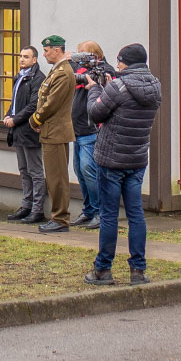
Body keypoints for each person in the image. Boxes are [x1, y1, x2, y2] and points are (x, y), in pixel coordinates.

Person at [83, 44, 161, 286]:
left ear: (124, 62)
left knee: (109, 215)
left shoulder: (117, 86)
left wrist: (95, 89)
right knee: (136, 215)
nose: (117, 66)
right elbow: (125, 108)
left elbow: (96, 113)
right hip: (137, 158)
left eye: (119, 62)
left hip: (111, 160)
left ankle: (103, 269)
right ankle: (138, 270)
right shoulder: (154, 86)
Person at [29, 36, 77, 232]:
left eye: (47, 50)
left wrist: (34, 120)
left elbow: (51, 104)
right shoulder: (57, 70)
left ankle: (60, 219)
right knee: (53, 176)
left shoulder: (63, 73)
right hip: (51, 130)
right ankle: (58, 217)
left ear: (57, 50)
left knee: (57, 178)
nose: (45, 54)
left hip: (56, 131)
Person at [0, 47, 46, 222]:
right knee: (23, 169)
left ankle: (37, 209)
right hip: (18, 130)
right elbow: (14, 102)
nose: (21, 59)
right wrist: (8, 114)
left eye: (26, 57)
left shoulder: (37, 78)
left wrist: (15, 119)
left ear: (34, 60)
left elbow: (34, 105)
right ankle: (26, 205)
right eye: (20, 56)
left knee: (35, 171)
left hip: (30, 130)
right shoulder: (20, 76)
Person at [71, 40, 107, 232]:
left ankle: (100, 212)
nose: (78, 58)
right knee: (80, 172)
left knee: (89, 170)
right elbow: (76, 79)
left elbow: (95, 84)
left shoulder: (101, 71)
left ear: (94, 56)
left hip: (89, 132)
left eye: (82, 55)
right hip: (76, 131)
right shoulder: (84, 72)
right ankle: (89, 209)